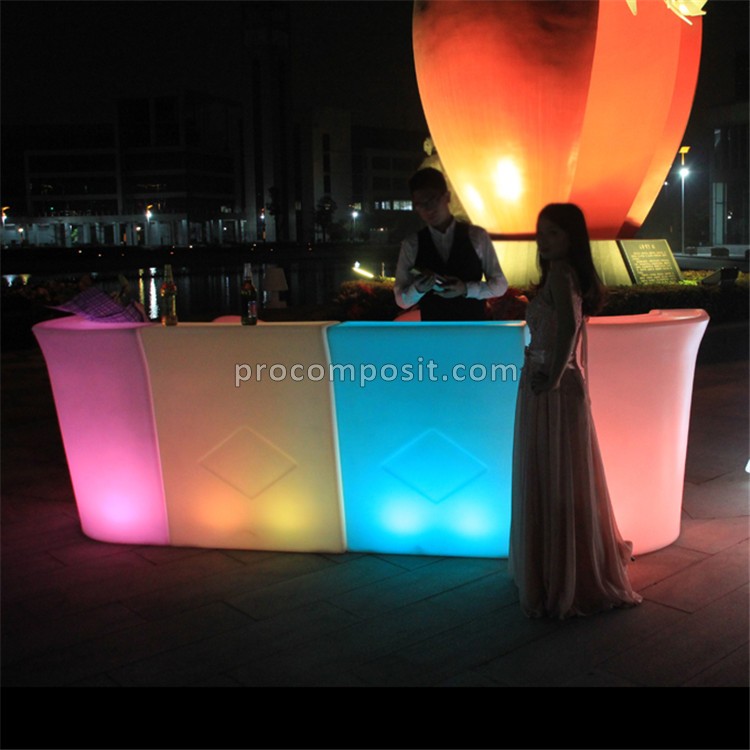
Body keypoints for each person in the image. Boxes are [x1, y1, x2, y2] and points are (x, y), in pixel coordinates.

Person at [508, 203, 642, 619]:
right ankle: (563, 565)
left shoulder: (562, 274)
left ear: (572, 238)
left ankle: (561, 571)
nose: (543, 240)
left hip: (552, 386)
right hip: (547, 382)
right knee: (561, 474)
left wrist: (551, 377)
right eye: (541, 232)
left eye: (553, 232)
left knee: (556, 475)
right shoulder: (560, 273)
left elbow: (567, 328)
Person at [394, 168, 508, 320]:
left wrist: (466, 289)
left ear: (447, 197)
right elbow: (400, 300)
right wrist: (417, 289)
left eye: (432, 200)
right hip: (435, 330)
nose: (428, 209)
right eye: (420, 204)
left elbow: (500, 285)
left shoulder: (477, 236)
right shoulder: (411, 244)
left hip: (472, 329)